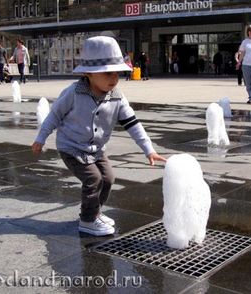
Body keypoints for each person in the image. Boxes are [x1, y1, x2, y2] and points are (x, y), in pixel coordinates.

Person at [32, 36, 166, 236]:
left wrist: (149, 149)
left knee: (109, 179)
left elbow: (132, 123)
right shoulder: (73, 93)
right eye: (107, 73)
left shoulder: (118, 97)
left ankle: (94, 212)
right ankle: (87, 220)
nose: (114, 79)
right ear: (89, 74)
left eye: (117, 73)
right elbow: (54, 116)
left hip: (96, 150)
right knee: (94, 179)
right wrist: (41, 138)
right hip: (72, 148)